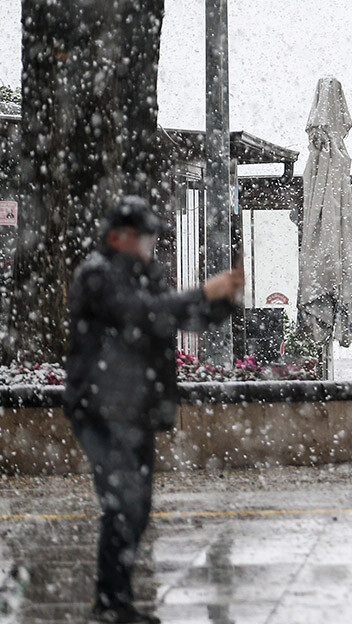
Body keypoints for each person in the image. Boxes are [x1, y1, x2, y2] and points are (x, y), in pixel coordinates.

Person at [63, 197, 244, 624]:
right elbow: (140, 315)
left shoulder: (147, 274)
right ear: (116, 238)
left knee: (137, 506)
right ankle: (109, 605)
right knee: (123, 503)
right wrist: (202, 291)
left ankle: (116, 599)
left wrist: (222, 301)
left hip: (134, 408)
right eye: (142, 236)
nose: (149, 244)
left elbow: (176, 318)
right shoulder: (96, 276)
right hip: (100, 407)